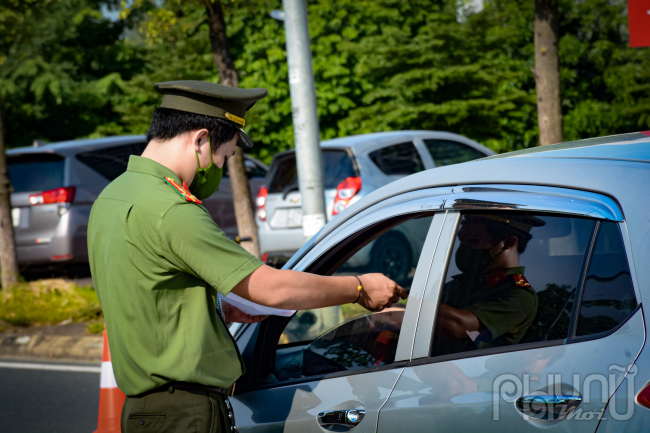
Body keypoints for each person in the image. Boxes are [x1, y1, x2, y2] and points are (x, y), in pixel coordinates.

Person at [87, 81, 407, 433]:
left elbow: (148, 294)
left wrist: (218, 309)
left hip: (146, 412)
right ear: (200, 140)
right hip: (186, 413)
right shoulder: (171, 209)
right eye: (224, 156)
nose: (220, 169)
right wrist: (359, 287)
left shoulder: (112, 198)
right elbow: (271, 289)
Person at [433, 213, 544, 356]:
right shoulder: (462, 283)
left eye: (474, 241)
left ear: (508, 243)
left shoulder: (519, 296)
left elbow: (459, 326)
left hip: (469, 376)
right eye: (462, 240)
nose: (464, 248)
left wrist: (408, 306)